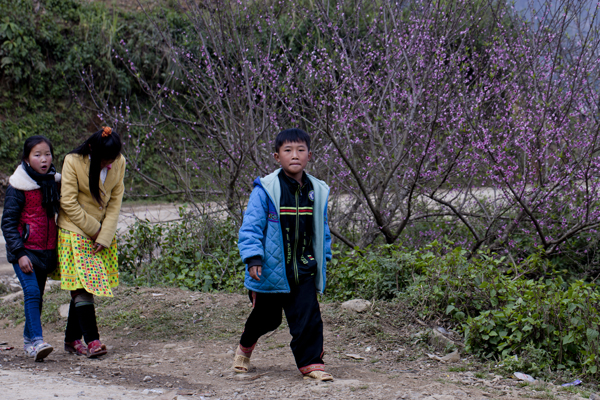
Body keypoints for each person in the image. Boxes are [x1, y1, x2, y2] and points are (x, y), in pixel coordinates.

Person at [232, 128, 333, 381]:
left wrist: (325, 255)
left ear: (309, 155)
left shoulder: (316, 190)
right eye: (288, 150)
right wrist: (253, 257)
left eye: (300, 150)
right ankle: (245, 346)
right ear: (277, 157)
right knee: (266, 319)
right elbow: (251, 227)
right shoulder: (266, 190)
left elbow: (321, 228)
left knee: (308, 316)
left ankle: (312, 364)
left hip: (304, 267)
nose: (295, 155)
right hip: (271, 269)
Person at [51, 126, 125, 358]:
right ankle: (92, 341)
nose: (109, 165)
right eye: (105, 160)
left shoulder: (119, 162)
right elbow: (68, 203)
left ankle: (72, 340)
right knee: (84, 285)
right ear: (93, 150)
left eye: (112, 160)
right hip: (73, 229)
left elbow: (115, 201)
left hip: (100, 233)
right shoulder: (73, 161)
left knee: (82, 284)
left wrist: (104, 235)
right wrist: (95, 230)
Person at [1, 136, 61, 361]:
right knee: (32, 293)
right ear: (27, 159)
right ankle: (37, 341)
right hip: (24, 252)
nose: (43, 159)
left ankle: (29, 340)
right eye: (37, 155)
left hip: (45, 252)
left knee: (38, 297)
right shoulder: (18, 186)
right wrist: (20, 253)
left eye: (47, 154)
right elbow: (8, 223)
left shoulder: (53, 182)